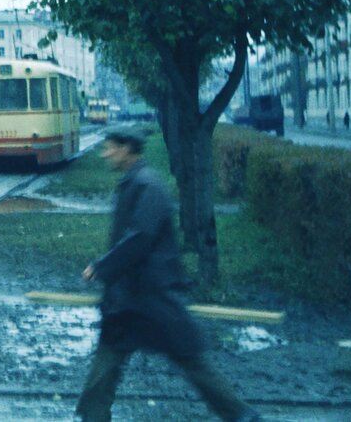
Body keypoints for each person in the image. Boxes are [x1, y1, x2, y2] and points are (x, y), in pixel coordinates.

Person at [76, 128, 258, 422]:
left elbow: (140, 237)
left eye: (110, 148)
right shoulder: (135, 182)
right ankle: (91, 418)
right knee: (106, 365)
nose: (105, 153)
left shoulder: (147, 185)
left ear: (127, 149)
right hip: (130, 298)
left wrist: (102, 267)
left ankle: (241, 415)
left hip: (151, 296)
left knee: (190, 360)